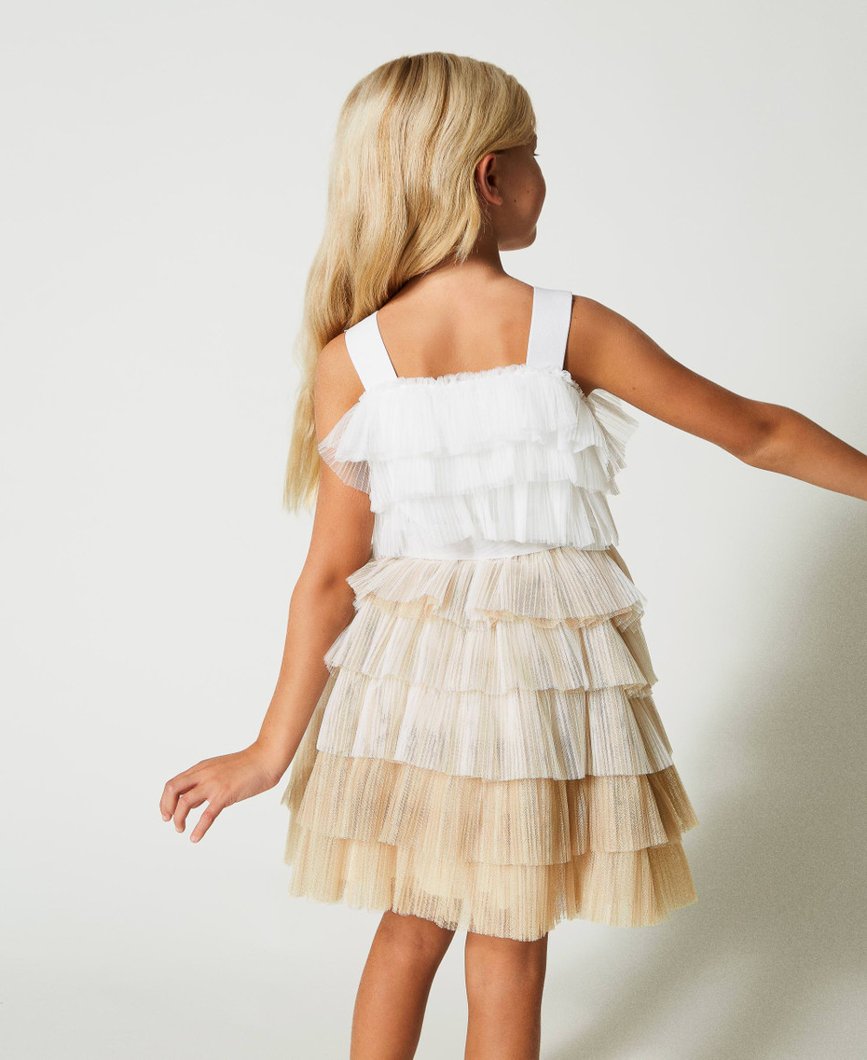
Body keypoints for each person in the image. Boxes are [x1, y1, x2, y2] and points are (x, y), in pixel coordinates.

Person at [159, 52, 867, 1060]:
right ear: (491, 176)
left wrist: (269, 750)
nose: (544, 175)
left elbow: (328, 578)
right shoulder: (565, 327)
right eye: (534, 154)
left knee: (408, 927)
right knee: (509, 947)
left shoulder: (351, 359)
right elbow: (756, 432)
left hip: (412, 687)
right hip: (541, 681)